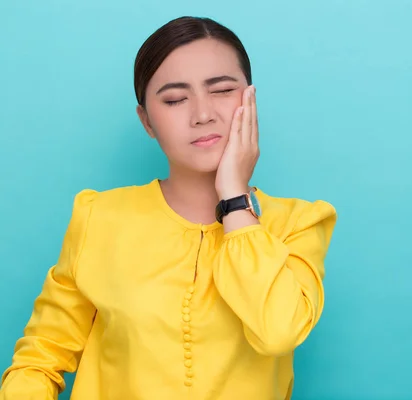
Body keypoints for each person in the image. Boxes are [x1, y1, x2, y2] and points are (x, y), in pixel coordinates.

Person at [0, 16, 337, 400]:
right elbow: (40, 358)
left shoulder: (299, 223)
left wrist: (233, 197)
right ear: (146, 120)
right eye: (175, 99)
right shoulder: (99, 217)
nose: (202, 114)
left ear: (251, 99)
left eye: (223, 90)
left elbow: (278, 332)